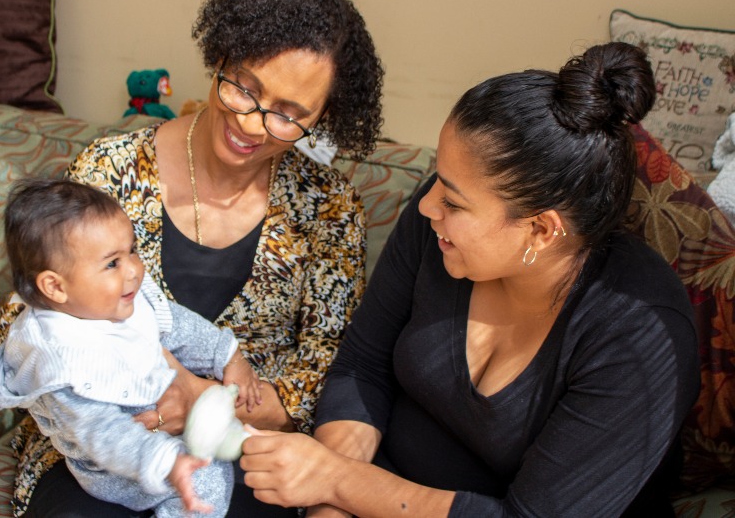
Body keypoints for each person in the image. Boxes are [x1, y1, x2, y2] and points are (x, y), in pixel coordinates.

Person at [239, 42, 701, 517]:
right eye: (438, 179)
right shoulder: (439, 227)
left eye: (455, 202)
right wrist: (327, 503)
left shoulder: (639, 334)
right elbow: (364, 365)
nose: (426, 206)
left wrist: (337, 482)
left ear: (541, 230)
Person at [0, 0, 384, 517]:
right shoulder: (112, 168)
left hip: (243, 446)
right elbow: (23, 316)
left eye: (288, 115)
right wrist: (148, 384)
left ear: (321, 122)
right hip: (99, 446)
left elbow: (332, 362)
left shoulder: (329, 208)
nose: (252, 124)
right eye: (245, 88)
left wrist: (212, 406)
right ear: (221, 55)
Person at [0, 178, 262, 517]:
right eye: (112, 263)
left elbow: (176, 325)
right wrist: (166, 461)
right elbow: (102, 433)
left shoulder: (121, 300)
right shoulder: (61, 359)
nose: (133, 269)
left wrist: (227, 355)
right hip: (115, 468)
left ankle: (230, 440)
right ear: (55, 286)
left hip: (163, 430)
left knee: (224, 452)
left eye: (132, 250)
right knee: (208, 478)